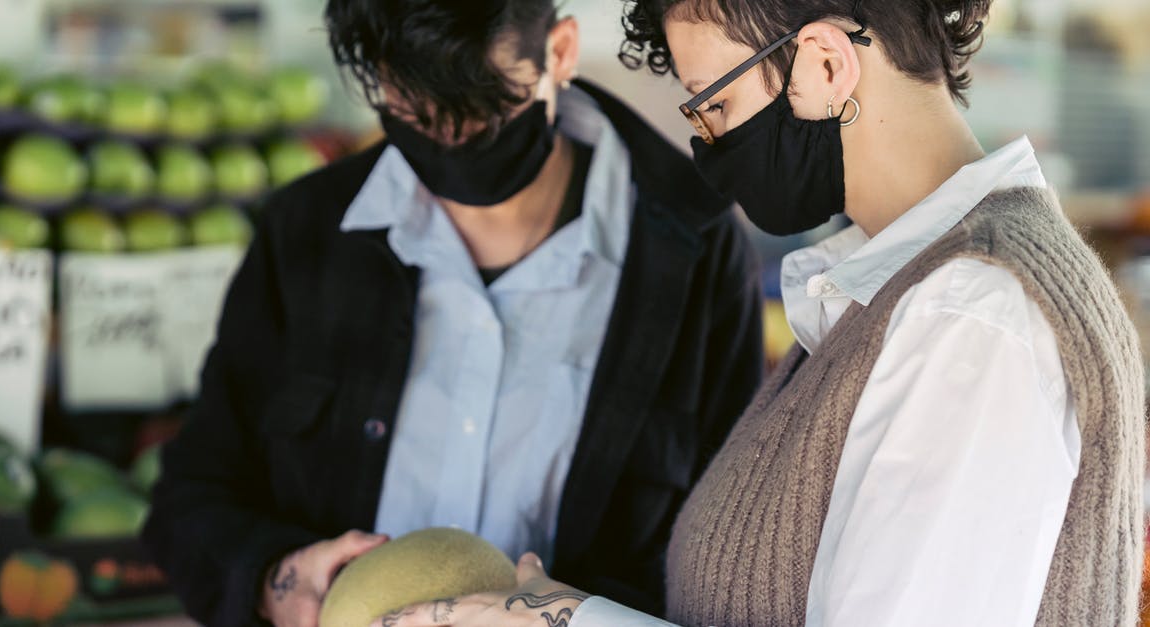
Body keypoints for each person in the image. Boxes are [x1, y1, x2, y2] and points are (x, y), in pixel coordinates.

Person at [373, 0, 1145, 626]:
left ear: (824, 62)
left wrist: (568, 619)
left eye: (715, 105)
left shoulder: (974, 315)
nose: (706, 143)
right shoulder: (897, 289)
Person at [140, 1, 766, 625]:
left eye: (483, 113)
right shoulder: (307, 233)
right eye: (417, 114)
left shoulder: (692, 255)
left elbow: (731, 548)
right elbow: (190, 497)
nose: (450, 141)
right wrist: (276, 577)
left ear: (560, 52)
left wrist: (580, 618)